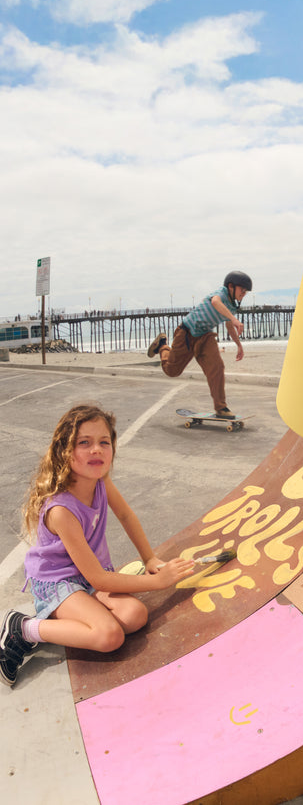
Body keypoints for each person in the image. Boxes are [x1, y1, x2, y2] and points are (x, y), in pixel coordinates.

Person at [0, 404, 194, 687]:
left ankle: (71, 617)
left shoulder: (101, 480)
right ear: (65, 452)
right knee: (109, 636)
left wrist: (150, 558)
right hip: (58, 582)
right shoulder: (61, 510)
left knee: (135, 616)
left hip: (89, 577)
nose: (97, 450)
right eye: (84, 443)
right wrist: (160, 581)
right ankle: (24, 628)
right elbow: (98, 578)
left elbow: (126, 515)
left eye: (104, 442)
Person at [148, 270, 252, 419]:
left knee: (217, 366)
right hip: (187, 333)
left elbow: (229, 326)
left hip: (205, 336)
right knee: (172, 371)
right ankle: (162, 346)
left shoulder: (231, 306)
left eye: (246, 292)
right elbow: (215, 302)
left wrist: (239, 345)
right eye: (242, 290)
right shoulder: (221, 293)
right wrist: (235, 320)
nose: (244, 293)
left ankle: (221, 407)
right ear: (231, 286)